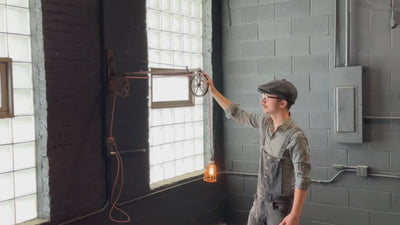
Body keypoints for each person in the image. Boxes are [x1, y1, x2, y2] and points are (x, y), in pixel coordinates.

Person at [203, 73, 311, 225]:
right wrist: (212, 90)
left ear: (282, 103)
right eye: (263, 96)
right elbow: (237, 113)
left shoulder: (296, 137)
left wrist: (295, 215)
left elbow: (303, 179)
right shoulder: (264, 122)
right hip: (259, 203)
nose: (263, 100)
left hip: (280, 210)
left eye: (268, 97)